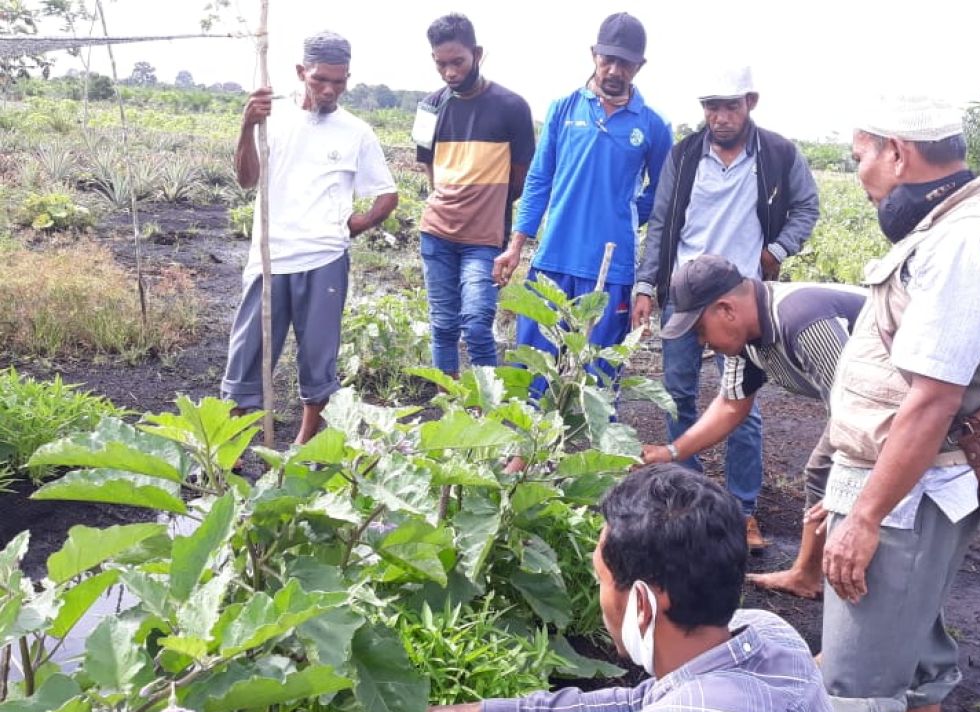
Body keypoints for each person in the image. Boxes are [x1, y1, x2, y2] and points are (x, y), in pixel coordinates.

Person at [819, 98, 980, 712]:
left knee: (849, 695)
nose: (860, 177)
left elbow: (933, 399)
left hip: (905, 496)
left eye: (860, 158)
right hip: (909, 489)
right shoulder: (954, 225)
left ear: (897, 151)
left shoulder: (963, 243)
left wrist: (864, 517)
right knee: (915, 661)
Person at [413, 464, 854, 712]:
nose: (601, 598)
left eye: (602, 582)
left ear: (643, 604)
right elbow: (637, 706)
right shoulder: (772, 636)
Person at [632, 66, 819, 552]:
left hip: (740, 304)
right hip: (683, 295)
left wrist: (777, 250)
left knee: (743, 404)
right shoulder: (685, 155)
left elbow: (807, 207)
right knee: (677, 395)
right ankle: (687, 499)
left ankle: (742, 511)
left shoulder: (778, 154)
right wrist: (646, 284)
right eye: (711, 106)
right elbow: (660, 222)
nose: (719, 117)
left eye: (729, 106)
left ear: (750, 102)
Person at [641, 255, 864, 596]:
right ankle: (807, 574)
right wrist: (671, 453)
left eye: (700, 329)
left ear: (726, 309)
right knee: (824, 471)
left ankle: (861, 609)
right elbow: (731, 405)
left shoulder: (802, 321)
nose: (701, 341)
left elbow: (857, 413)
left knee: (848, 487)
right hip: (860, 406)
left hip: (904, 396)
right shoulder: (743, 340)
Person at [220, 32, 397, 443]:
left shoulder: (356, 132)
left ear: (348, 78)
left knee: (318, 362)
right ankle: (230, 450)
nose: (330, 90)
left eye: (339, 81)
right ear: (301, 73)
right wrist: (247, 127)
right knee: (247, 356)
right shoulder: (270, 118)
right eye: (320, 80)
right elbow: (247, 180)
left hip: (324, 260)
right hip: (269, 258)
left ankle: (302, 447)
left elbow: (387, 196)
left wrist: (352, 226)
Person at [492, 12, 672, 373]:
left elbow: (665, 194)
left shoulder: (653, 124)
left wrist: (629, 212)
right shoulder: (563, 109)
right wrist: (515, 246)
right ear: (594, 55)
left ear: (640, 66)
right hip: (552, 261)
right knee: (534, 372)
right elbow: (540, 179)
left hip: (611, 269)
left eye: (626, 63)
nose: (615, 71)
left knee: (598, 378)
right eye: (608, 60)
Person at [415, 14, 535, 376]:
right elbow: (429, 169)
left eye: (458, 62)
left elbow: (520, 179)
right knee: (443, 325)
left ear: (477, 54)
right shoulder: (429, 108)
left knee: (478, 323)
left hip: (484, 240)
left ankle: (490, 414)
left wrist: (486, 207)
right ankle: (449, 410)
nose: (450, 72)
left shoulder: (512, 107)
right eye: (441, 64)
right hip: (437, 235)